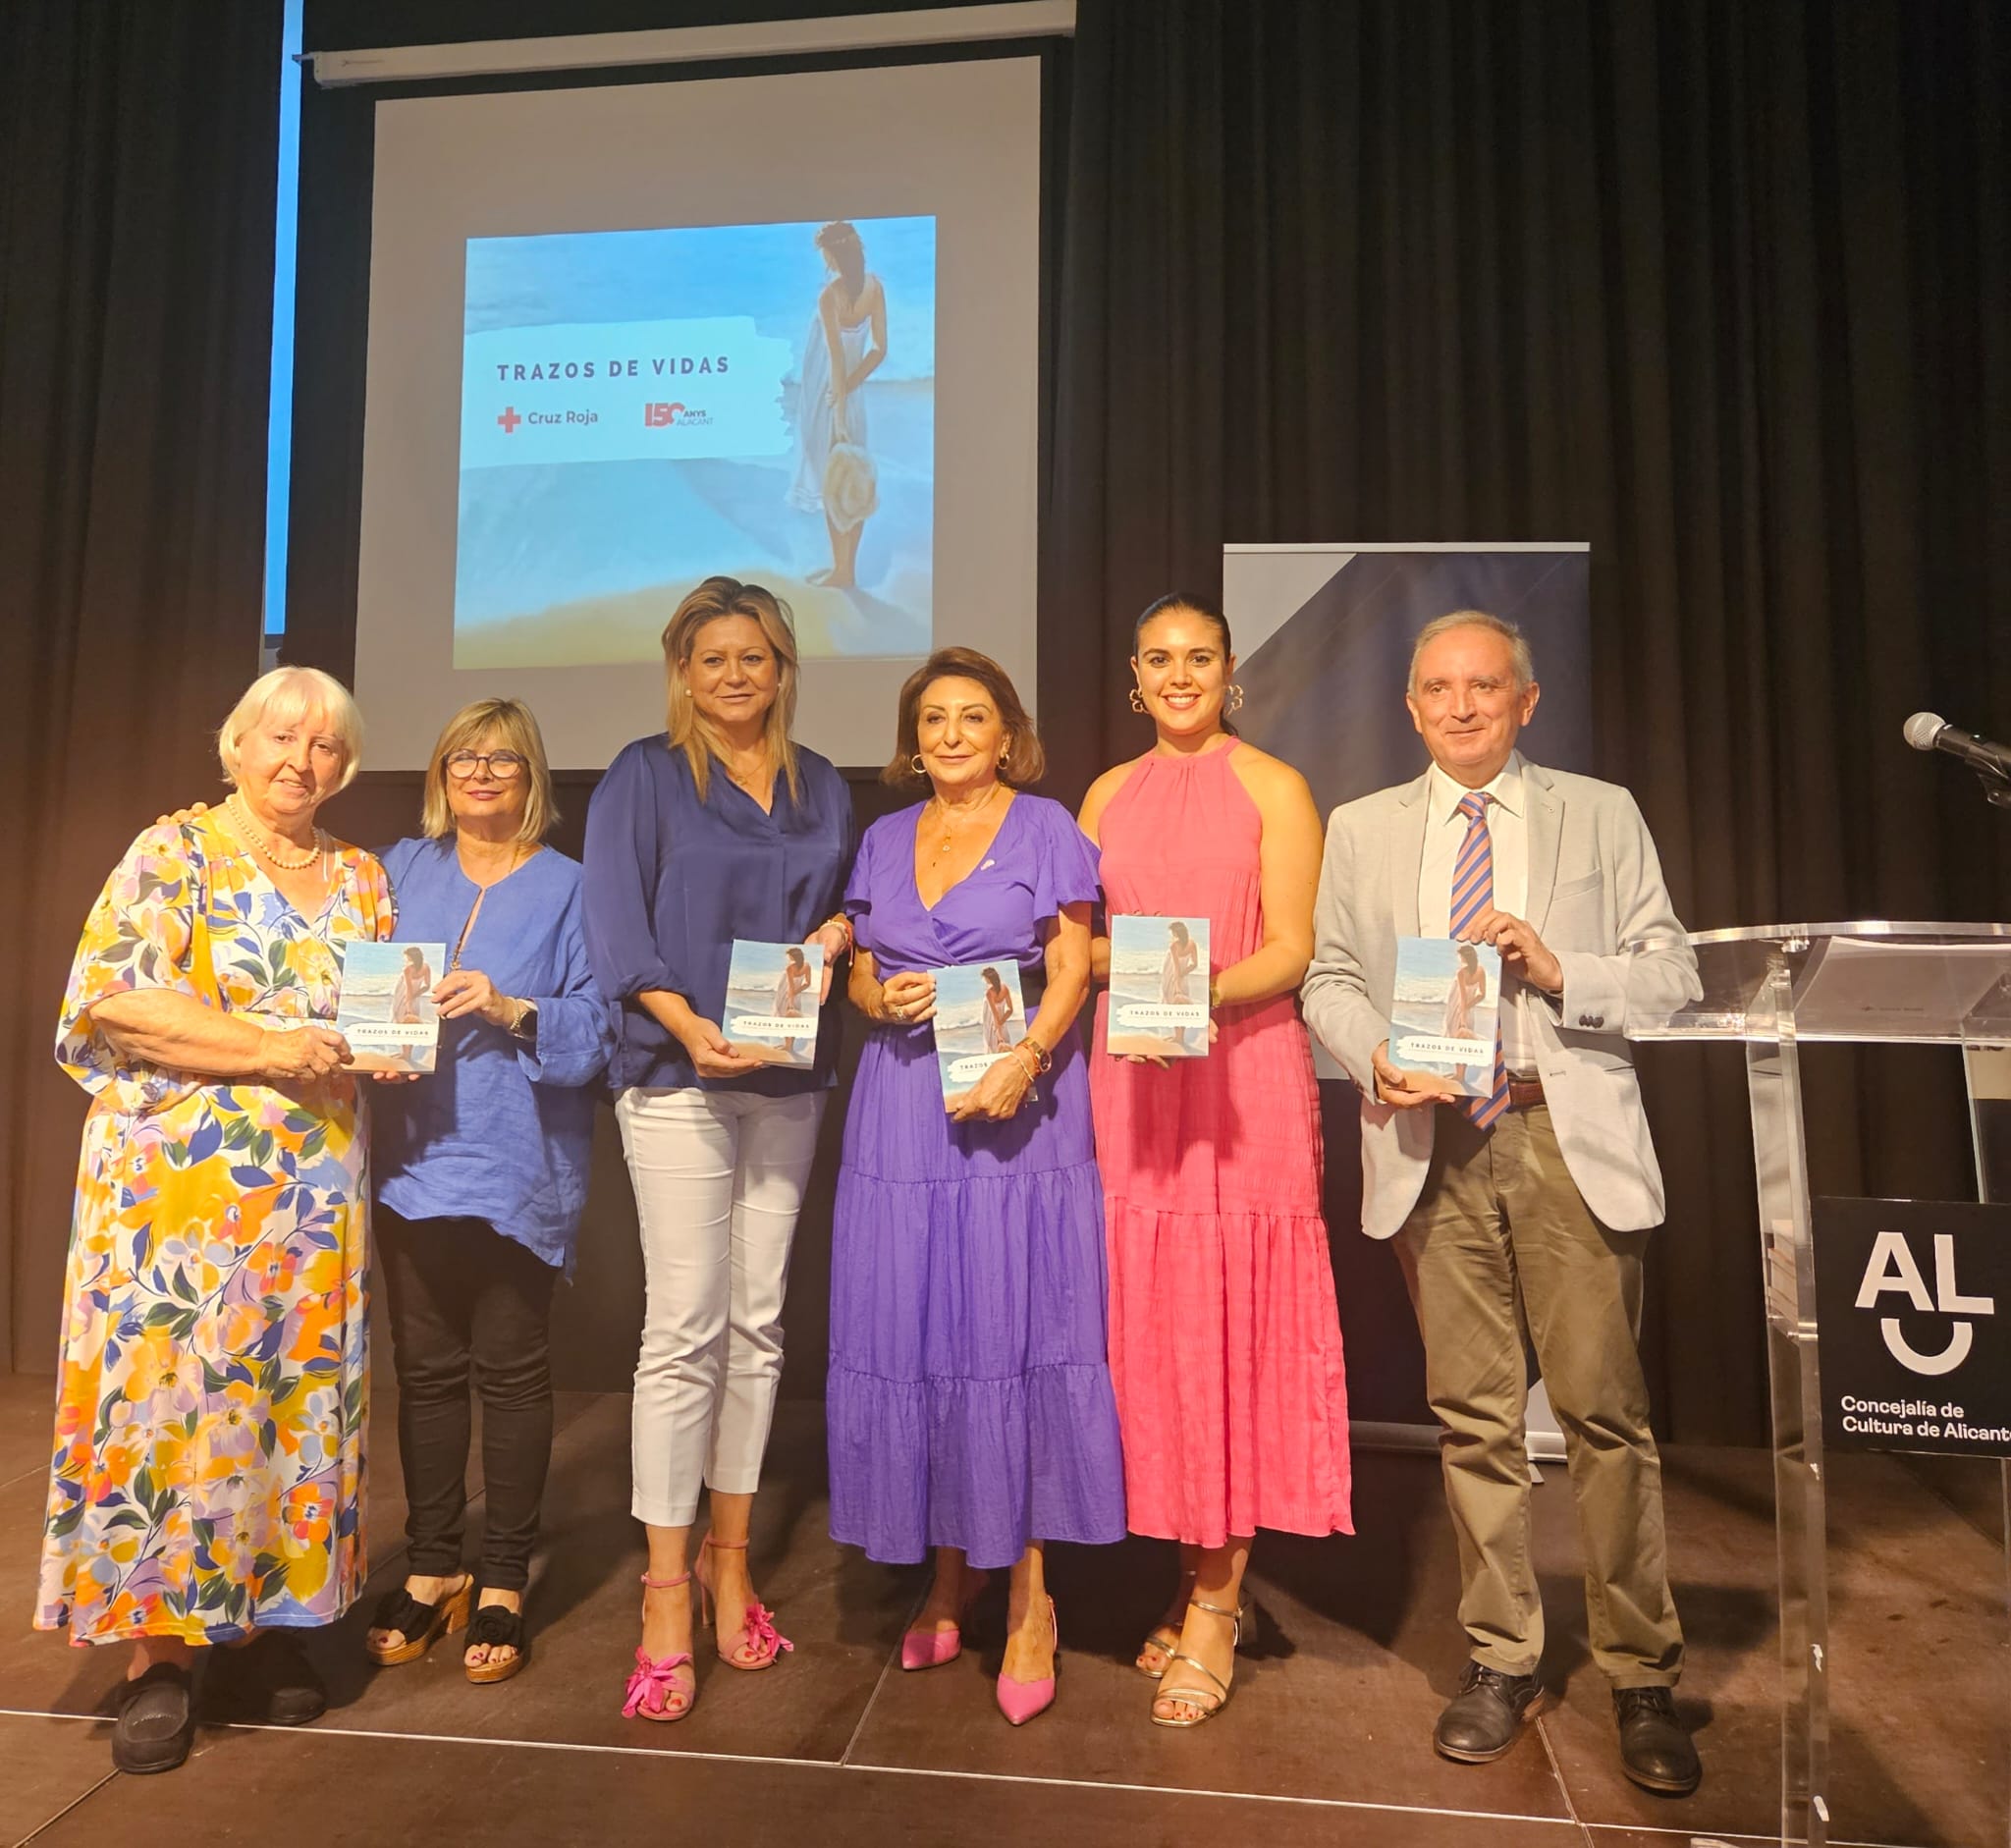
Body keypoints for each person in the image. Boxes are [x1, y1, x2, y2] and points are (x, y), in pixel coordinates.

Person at [1299, 610, 1704, 1795]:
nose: (1461, 705)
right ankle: (1501, 1655)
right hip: (1430, 1138)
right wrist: (1375, 1053)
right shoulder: (1363, 827)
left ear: (1526, 701)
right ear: (1411, 707)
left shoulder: (1599, 810)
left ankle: (1639, 1671)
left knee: (1601, 1419)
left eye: (1484, 687)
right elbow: (1328, 975)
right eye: (1438, 688)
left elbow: (1672, 973)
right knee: (1471, 1418)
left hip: (1555, 1131)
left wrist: (1562, 968)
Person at [35, 667, 390, 1774]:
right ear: (233, 745)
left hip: (309, 1202)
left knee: (283, 1404)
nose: (301, 758)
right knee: (173, 1412)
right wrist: (273, 1046)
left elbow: (380, 1022)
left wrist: (397, 1038)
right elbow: (118, 1004)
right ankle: (158, 1659)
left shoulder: (364, 877)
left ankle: (259, 1625)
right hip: (174, 1211)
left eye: (326, 745)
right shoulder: (171, 854)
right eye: (280, 736)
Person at [829, 647, 1125, 1727]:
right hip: (899, 1108)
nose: (953, 735)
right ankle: (950, 1573)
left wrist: (1026, 1062)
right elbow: (856, 958)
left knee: (1010, 1335)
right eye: (935, 720)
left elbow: (1074, 964)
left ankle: (1033, 1597)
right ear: (914, 739)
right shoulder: (881, 836)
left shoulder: (1047, 826)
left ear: (1008, 734)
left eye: (974, 717)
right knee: (920, 1336)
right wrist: (872, 992)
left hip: (1017, 1115)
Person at [584, 576, 854, 1723]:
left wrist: (845, 929)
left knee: (757, 1322)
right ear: (681, 671)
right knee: (684, 1322)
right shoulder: (644, 775)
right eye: (713, 659)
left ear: (781, 668)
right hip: (675, 1072)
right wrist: (687, 1025)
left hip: (787, 1080)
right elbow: (615, 924)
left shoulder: (822, 784)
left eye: (753, 657)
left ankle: (728, 1561)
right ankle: (660, 1590)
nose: (734, 674)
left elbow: (855, 905)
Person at [1079, 594, 1351, 1728]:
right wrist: (1100, 966)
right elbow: (1081, 943)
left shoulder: (1273, 786)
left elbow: (1289, 949)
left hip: (1239, 1079)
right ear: (1134, 678)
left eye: (1200, 657)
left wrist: (1176, 985)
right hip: (1132, 1081)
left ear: (1228, 672)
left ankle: (1216, 1608)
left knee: (1232, 1329)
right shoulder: (1102, 793)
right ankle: (1190, 1566)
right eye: (1158, 659)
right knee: (1154, 1328)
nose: (1179, 674)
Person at [360, 700, 614, 1685]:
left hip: (516, 1165)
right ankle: (432, 1568)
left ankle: (501, 1579)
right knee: (423, 1371)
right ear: (439, 771)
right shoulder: (392, 871)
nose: (479, 772)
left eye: (501, 759)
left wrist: (515, 1008)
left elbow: (602, 1031)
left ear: (531, 778)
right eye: (463, 755)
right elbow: (350, 979)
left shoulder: (572, 888)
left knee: (509, 1370)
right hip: (411, 1157)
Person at [787, 220, 887, 590]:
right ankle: (847, 569)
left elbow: (833, 358)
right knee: (853, 480)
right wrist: (850, 388)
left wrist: (838, 406)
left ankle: (842, 571)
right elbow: (878, 351)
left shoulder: (829, 296)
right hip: (849, 393)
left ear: (833, 254)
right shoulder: (874, 288)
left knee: (837, 482)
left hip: (827, 397)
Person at [1444, 941, 1488, 1082]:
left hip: (1458, 1010)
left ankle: (1459, 1076)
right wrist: (1470, 1006)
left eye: (1460, 956)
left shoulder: (1461, 973)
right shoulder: (1480, 970)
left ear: (1464, 957)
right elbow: (1482, 994)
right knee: (1465, 1044)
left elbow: (1462, 998)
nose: (1459, 958)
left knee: (1458, 1042)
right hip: (1469, 1010)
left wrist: (1462, 1018)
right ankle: (1461, 1075)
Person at [1161, 918, 1200, 1050]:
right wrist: (1184, 973)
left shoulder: (1174, 946)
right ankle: (1179, 1037)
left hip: (1172, 977)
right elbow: (1194, 964)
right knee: (1182, 1008)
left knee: (1174, 1005)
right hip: (1183, 977)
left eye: (1173, 933)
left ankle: (1178, 1038)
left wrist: (1177, 986)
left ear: (1177, 933)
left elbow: (1176, 968)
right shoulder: (1192, 943)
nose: (1172, 936)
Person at [391, 946, 432, 1024]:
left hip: (405, 994)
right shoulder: (426, 967)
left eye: (408, 958)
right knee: (404, 1018)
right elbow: (426, 986)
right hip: (407, 993)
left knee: (404, 1017)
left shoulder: (408, 969)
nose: (406, 960)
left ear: (413, 958)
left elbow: (409, 989)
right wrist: (415, 995)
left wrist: (409, 1006)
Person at [979, 963, 1015, 1054]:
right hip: (1000, 1021)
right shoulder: (1005, 988)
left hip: (991, 1021)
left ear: (989, 978)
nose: (984, 980)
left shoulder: (989, 993)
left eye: (985, 978)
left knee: (994, 1047)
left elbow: (994, 1015)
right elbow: (1010, 1010)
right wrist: (1002, 1022)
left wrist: (998, 1034)